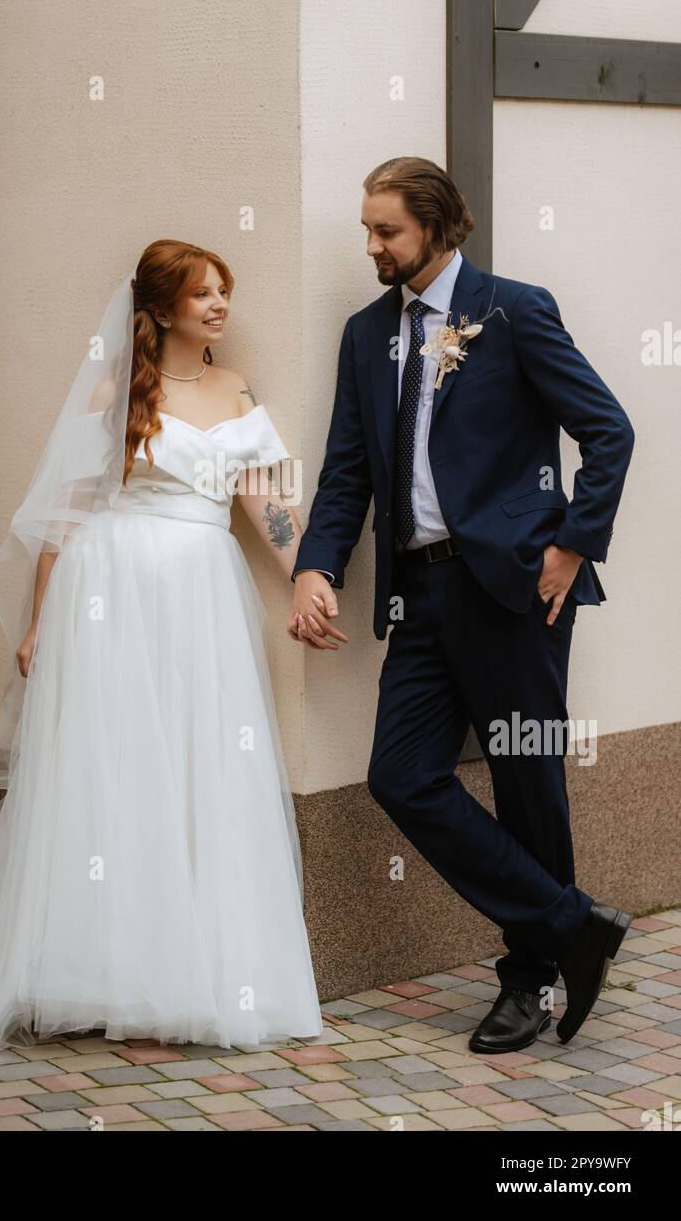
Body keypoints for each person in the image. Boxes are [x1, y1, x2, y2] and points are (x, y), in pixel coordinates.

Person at [0, 239, 323, 1054]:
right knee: (112, 766)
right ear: (160, 309)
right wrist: (43, 618)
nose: (219, 304)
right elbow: (68, 512)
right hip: (110, 588)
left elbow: (267, 503)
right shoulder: (115, 390)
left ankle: (194, 964)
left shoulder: (236, 391)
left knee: (198, 759)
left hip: (202, 593)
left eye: (224, 290)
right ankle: (89, 968)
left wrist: (307, 575)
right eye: (201, 294)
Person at [289, 156, 635, 1054]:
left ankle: (527, 984)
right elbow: (347, 470)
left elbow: (608, 430)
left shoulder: (514, 310)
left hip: (514, 592)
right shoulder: (366, 335)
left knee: (527, 783)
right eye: (366, 229)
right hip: (417, 595)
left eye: (385, 231)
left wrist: (569, 545)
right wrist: (315, 564)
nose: (371, 245)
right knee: (399, 775)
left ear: (437, 229)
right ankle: (570, 923)